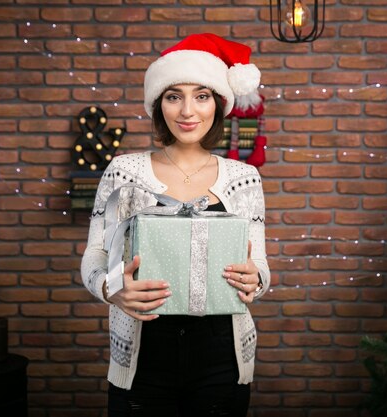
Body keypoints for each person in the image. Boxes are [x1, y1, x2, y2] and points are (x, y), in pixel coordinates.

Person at [80, 33, 271, 417]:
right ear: (158, 105)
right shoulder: (124, 171)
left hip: (222, 357)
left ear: (218, 105)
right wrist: (110, 289)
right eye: (174, 96)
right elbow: (96, 255)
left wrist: (256, 281)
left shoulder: (244, 177)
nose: (187, 110)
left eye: (201, 95)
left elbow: (261, 267)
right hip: (142, 355)